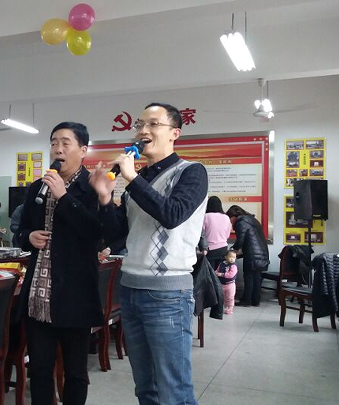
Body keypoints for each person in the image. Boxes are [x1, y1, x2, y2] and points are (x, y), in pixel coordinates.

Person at [90, 102, 208, 405]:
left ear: (174, 133)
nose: (143, 130)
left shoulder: (191, 172)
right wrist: (105, 200)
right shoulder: (138, 181)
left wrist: (132, 179)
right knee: (145, 387)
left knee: (173, 390)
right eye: (140, 125)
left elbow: (172, 214)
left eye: (153, 124)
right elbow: (118, 236)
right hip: (129, 289)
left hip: (168, 295)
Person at [17, 122, 103, 405]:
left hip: (74, 296)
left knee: (75, 372)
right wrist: (29, 237)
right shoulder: (37, 188)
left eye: (66, 143)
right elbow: (20, 232)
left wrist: (64, 197)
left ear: (83, 150)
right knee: (40, 370)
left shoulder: (93, 188)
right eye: (54, 143)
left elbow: (96, 234)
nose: (58, 149)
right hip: (38, 298)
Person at [226, 205, 270, 307]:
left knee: (248, 276)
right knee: (257, 277)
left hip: (252, 254)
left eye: (230, 219)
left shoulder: (241, 222)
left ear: (234, 216)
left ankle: (246, 300)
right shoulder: (252, 219)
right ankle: (256, 300)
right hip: (262, 253)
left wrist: (233, 249)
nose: (230, 222)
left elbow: (241, 239)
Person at [203, 196, 233, 271]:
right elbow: (227, 235)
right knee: (221, 272)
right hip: (223, 248)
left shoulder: (206, 216)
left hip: (210, 249)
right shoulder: (226, 217)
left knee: (210, 273)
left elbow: (202, 234)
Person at [216, 250, 239, 314]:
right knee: (223, 297)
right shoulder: (221, 264)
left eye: (234, 257)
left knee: (230, 297)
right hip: (222, 284)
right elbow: (217, 270)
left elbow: (231, 274)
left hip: (230, 284)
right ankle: (225, 307)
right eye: (230, 257)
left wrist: (222, 274)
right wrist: (215, 273)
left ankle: (230, 308)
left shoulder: (233, 266)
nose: (232, 259)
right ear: (226, 257)